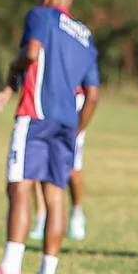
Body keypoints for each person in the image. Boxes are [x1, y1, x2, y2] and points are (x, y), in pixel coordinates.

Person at [0, 0, 100, 274]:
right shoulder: (85, 34)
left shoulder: (40, 15)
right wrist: (75, 131)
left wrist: (12, 70)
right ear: (68, 1)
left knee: (19, 187)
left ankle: (10, 269)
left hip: (35, 116)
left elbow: (31, 53)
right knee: (55, 195)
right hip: (67, 123)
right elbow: (93, 95)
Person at [28, 88, 88, 241]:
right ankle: (41, 217)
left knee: (72, 168)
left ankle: (76, 213)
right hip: (45, 97)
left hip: (74, 100)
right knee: (37, 162)